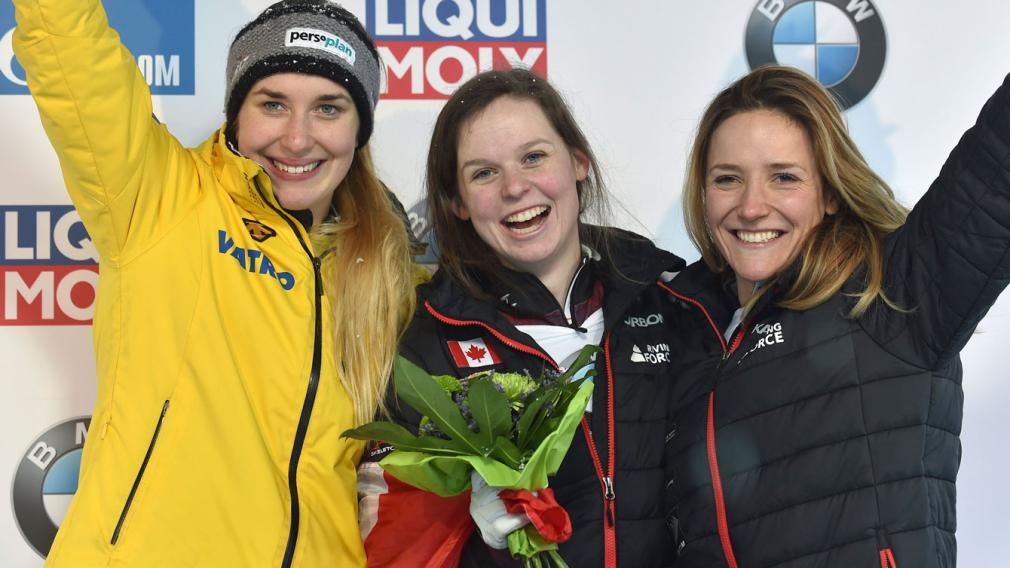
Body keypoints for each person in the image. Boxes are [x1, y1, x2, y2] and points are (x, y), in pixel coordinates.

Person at [12, 0, 416, 565]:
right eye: (272, 104)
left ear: (359, 127)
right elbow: (73, 51)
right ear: (236, 112)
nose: (298, 140)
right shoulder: (162, 200)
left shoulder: (384, 271)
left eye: (329, 108)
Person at [664, 65, 1010, 567]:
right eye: (727, 179)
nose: (752, 206)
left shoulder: (894, 292)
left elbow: (995, 172)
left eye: (783, 177)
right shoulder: (684, 329)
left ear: (828, 192)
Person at [357, 68, 685, 567]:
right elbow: (390, 548)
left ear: (578, 162)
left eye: (533, 157)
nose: (515, 187)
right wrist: (471, 533)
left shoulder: (673, 304)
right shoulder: (424, 348)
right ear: (456, 202)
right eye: (484, 172)